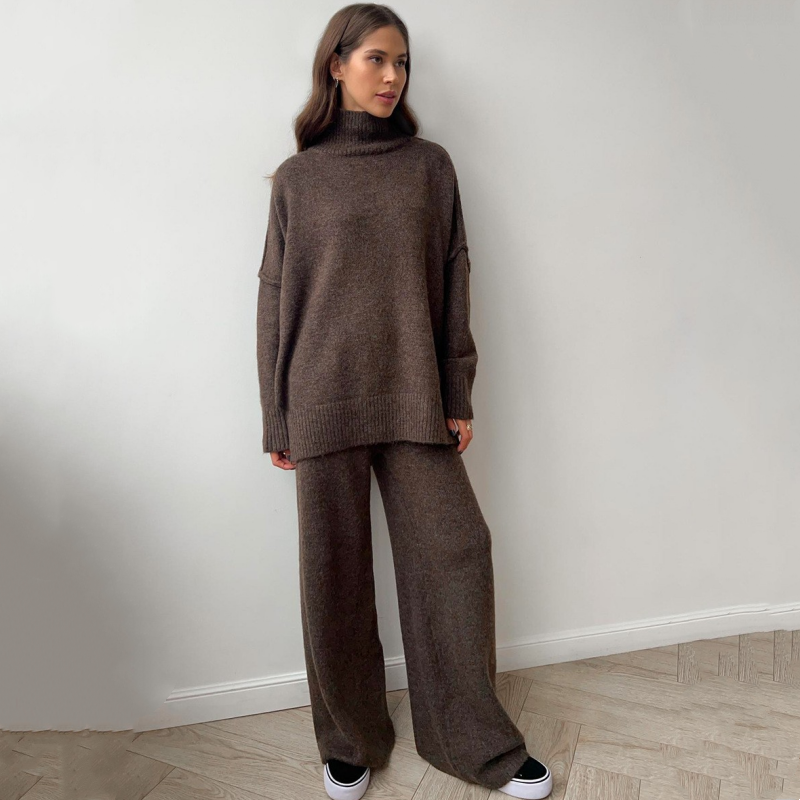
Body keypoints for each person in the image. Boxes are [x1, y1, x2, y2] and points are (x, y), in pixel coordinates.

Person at [255, 5, 553, 800]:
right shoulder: (299, 180)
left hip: (415, 394)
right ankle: (350, 739)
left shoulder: (429, 166)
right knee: (334, 573)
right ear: (337, 64)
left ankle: (471, 739)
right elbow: (275, 300)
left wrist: (458, 387)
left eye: (404, 63)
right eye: (378, 60)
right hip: (321, 399)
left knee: (458, 554)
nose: (394, 77)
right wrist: (276, 414)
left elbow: (455, 275)